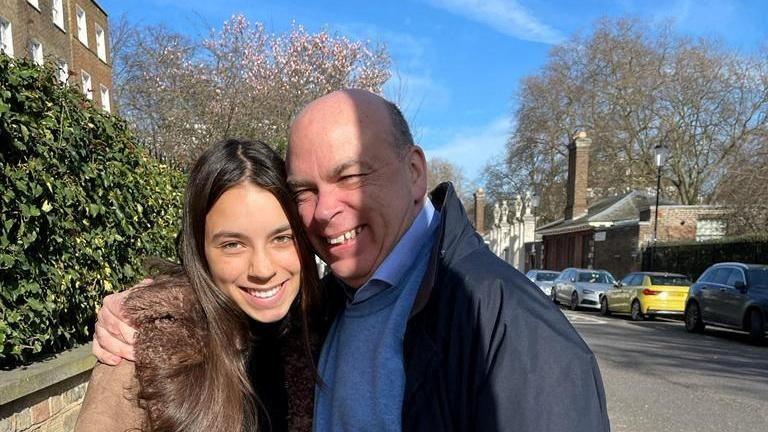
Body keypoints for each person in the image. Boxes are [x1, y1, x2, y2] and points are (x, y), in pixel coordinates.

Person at [94, 90, 610, 431]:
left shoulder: (501, 321)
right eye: (306, 190)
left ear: (414, 172)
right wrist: (148, 309)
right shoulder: (335, 304)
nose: (327, 211)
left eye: (353, 176)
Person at [77, 139, 322, 432]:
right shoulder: (142, 351)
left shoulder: (327, 324)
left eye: (282, 238)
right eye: (233, 244)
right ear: (200, 249)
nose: (263, 269)